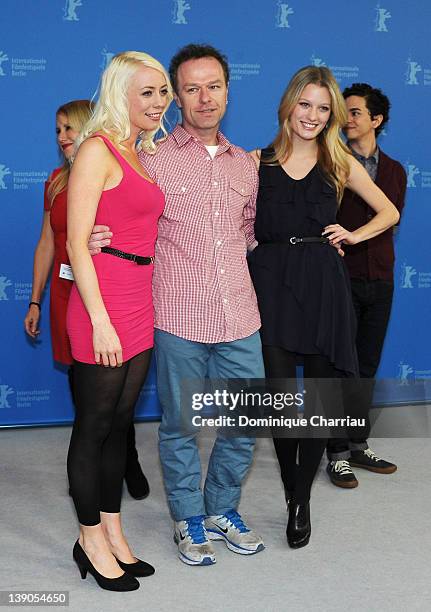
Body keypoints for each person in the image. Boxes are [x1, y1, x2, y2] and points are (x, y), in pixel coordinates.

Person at [89, 44, 265, 567]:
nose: (204, 98)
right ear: (177, 97)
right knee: (181, 425)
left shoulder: (248, 167)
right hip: (177, 316)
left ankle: (223, 508)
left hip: (239, 313)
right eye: (191, 88)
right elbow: (120, 216)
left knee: (245, 421)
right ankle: (188, 517)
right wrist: (97, 236)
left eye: (213, 86)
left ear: (228, 92)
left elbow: (250, 234)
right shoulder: (152, 160)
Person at [248, 66, 400, 548]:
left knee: (315, 402)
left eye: (323, 108)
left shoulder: (339, 162)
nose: (312, 115)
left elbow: (389, 212)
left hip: (322, 283)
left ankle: (300, 502)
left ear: (331, 115)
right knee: (277, 401)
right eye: (305, 104)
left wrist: (353, 235)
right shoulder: (257, 160)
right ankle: (296, 489)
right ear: (288, 104)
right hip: (270, 282)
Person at [66, 51, 172, 591]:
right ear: (119, 95)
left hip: (139, 298)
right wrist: (99, 320)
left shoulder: (140, 152)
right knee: (93, 427)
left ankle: (112, 528)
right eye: (146, 93)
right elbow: (75, 244)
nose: (158, 102)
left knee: (120, 427)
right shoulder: (96, 149)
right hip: (101, 304)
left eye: (162, 92)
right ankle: (88, 539)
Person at [23, 100, 149, 502]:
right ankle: (93, 492)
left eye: (69, 129)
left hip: (104, 285)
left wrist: (97, 244)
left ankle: (125, 458)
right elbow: (48, 242)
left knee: (115, 399)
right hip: (67, 292)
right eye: (57, 130)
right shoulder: (56, 181)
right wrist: (35, 299)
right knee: (92, 400)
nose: (62, 137)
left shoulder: (119, 168)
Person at [326, 83, 406, 487]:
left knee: (367, 367)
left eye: (355, 112)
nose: (347, 119)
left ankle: (358, 443)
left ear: (376, 120)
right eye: (344, 112)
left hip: (382, 281)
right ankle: (336, 452)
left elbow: (391, 220)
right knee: (342, 367)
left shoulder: (394, 171)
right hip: (342, 279)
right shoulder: (331, 163)